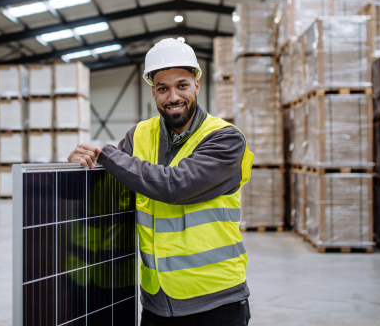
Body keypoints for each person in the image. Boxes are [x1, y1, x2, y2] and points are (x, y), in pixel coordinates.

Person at [68, 38, 254, 326]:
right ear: (153, 91)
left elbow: (176, 186)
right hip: (157, 301)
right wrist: (84, 164)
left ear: (196, 85)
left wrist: (105, 153)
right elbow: (113, 190)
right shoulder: (138, 136)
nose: (173, 97)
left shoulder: (225, 139)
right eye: (162, 88)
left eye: (181, 85)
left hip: (216, 298)